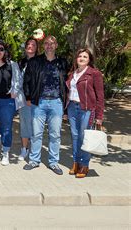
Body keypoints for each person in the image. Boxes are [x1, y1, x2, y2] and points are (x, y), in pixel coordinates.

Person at [23, 35, 69, 175]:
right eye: (47, 43)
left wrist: (65, 104)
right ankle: (34, 160)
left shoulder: (63, 62)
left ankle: (54, 162)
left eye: (52, 43)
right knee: (36, 133)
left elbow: (67, 84)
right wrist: (29, 97)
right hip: (39, 102)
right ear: (43, 46)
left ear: (56, 45)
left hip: (56, 102)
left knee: (55, 135)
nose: (49, 45)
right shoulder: (35, 62)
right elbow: (27, 81)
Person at [66, 48, 105, 178]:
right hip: (72, 106)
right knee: (75, 136)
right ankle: (75, 163)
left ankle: (84, 165)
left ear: (89, 60)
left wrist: (99, 116)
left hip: (87, 109)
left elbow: (100, 96)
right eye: (80, 56)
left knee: (84, 136)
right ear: (76, 58)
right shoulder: (72, 73)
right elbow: (68, 92)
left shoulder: (94, 74)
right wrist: (66, 110)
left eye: (85, 56)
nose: (82, 58)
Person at [17, 37, 39, 161]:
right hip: (23, 99)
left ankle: (34, 151)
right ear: (25, 47)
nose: (30, 46)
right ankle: (24, 149)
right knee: (25, 124)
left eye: (33, 44)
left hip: (36, 99)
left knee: (36, 125)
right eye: (28, 44)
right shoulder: (21, 63)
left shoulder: (41, 61)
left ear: (36, 48)